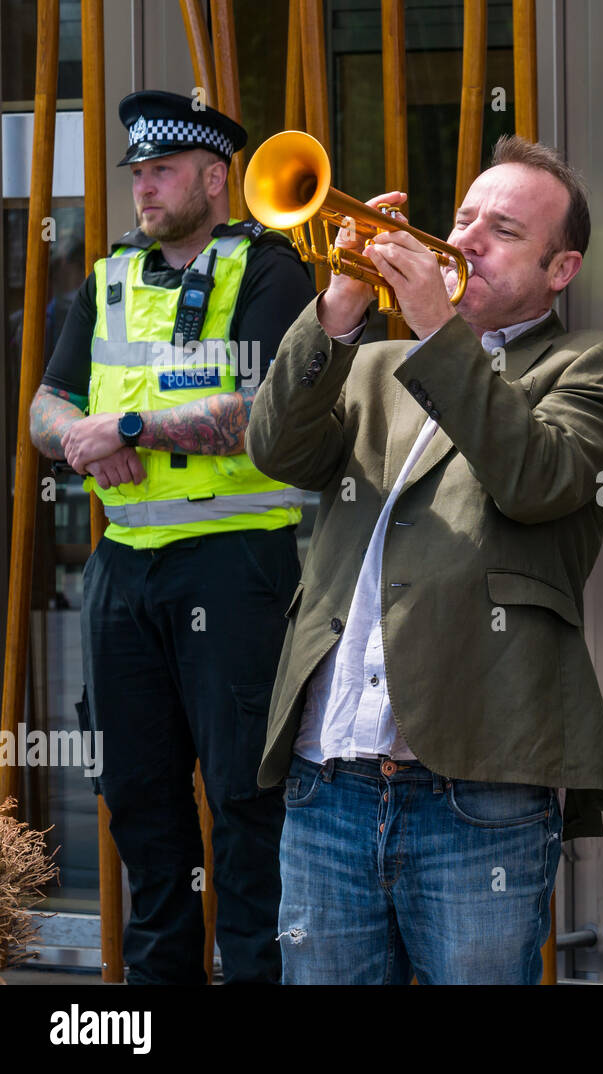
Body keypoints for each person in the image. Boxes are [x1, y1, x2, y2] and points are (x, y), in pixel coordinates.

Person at [244, 135, 603, 985]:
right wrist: (340, 308)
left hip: (479, 789)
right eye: (463, 217)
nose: (464, 240)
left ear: (561, 268)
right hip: (331, 776)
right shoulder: (375, 365)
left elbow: (536, 478)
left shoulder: (596, 366)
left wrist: (435, 325)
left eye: (502, 230)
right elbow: (276, 450)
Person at [29, 91, 316, 983]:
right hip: (124, 574)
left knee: (246, 803)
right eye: (138, 173)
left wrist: (128, 431)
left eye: (160, 172)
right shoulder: (108, 277)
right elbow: (47, 402)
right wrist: (75, 436)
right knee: (141, 804)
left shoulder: (270, 270)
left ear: (214, 178)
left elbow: (263, 410)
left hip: (235, 568)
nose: (144, 189)